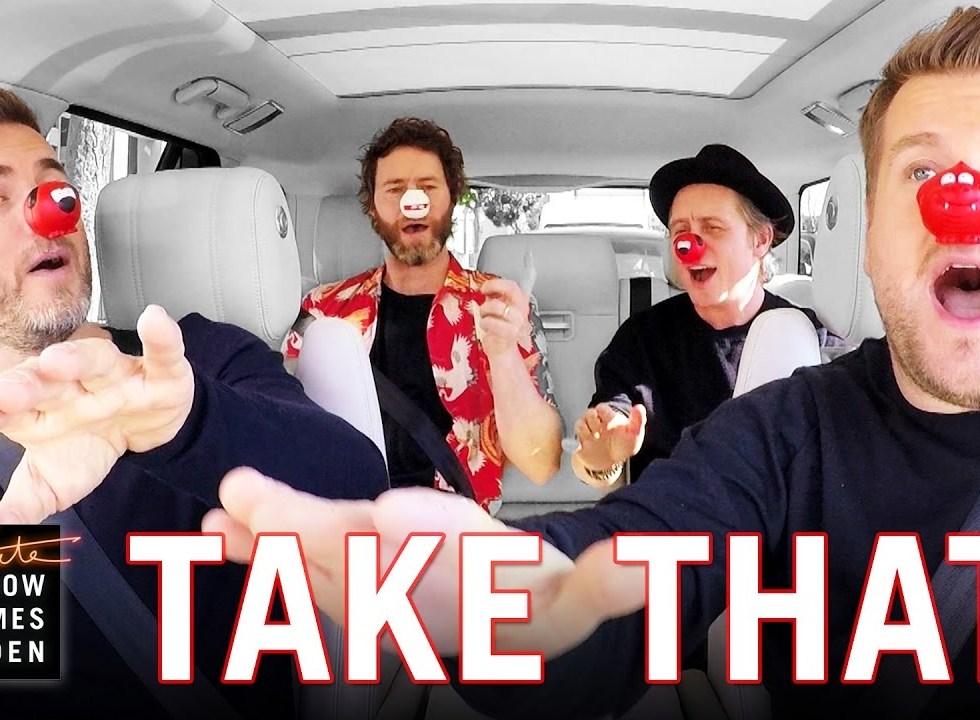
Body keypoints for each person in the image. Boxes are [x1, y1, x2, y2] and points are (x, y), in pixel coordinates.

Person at [202, 6, 980, 719]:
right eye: (922, 172)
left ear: (763, 239)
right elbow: (630, 505)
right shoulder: (776, 415)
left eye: (710, 227)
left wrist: (504, 360)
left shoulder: (798, 344)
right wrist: (517, 582)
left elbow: (539, 457)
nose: (961, 205)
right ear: (870, 234)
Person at [0, 89, 388, 719]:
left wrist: (185, 424)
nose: (47, 214)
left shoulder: (200, 356)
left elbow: (357, 483)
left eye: (53, 187)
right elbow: (25, 661)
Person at [282, 117, 562, 511]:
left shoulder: (500, 307)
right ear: (373, 207)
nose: (412, 204)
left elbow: (541, 463)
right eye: (394, 190)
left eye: (428, 188)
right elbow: (286, 433)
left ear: (452, 197)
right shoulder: (322, 311)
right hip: (345, 522)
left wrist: (502, 354)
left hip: (455, 526)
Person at [572, 144, 844, 489]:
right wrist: (603, 455)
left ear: (760, 240)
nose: (689, 245)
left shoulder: (808, 338)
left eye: (713, 227)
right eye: (679, 230)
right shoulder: (642, 338)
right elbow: (608, 431)